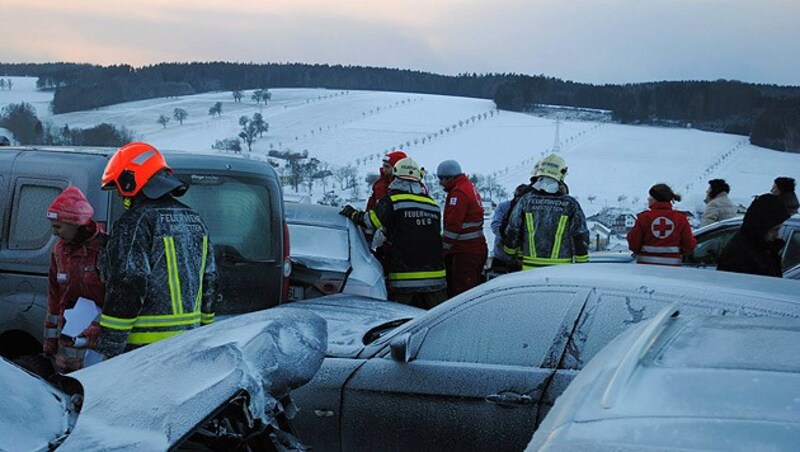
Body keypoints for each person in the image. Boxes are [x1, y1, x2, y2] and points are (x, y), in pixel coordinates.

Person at [91, 142, 217, 360]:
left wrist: (110, 347)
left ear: (131, 180)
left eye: (119, 188)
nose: (121, 197)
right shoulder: (195, 219)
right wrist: (204, 331)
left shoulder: (135, 221)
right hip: (187, 346)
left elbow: (129, 283)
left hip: (143, 352)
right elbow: (210, 279)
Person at [339, 157, 447, 309]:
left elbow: (370, 223)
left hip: (404, 277)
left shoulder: (392, 201)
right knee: (436, 321)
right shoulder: (433, 205)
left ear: (395, 178)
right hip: (436, 278)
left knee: (398, 322)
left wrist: (353, 214)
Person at [44, 186, 108, 373]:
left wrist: (94, 333)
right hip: (69, 342)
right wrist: (50, 341)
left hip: (99, 343)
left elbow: (117, 301)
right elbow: (54, 299)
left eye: (58, 227)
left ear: (75, 222)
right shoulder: (58, 251)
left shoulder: (105, 250)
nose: (54, 233)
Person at [503, 154, 590, 269]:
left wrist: (510, 255)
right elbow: (580, 235)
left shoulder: (525, 201)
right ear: (561, 174)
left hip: (529, 268)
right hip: (561, 269)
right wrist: (582, 263)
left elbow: (513, 230)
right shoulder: (570, 204)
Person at [437, 159, 488, 297]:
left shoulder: (458, 193)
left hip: (465, 252)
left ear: (449, 177)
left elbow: (453, 226)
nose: (440, 183)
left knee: (462, 292)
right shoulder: (467, 187)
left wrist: (443, 249)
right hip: (474, 249)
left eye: (441, 179)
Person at [717, 194, 790, 277]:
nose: (777, 236)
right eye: (775, 230)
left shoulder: (764, 248)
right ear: (762, 227)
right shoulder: (739, 256)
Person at [627, 183, 696, 266]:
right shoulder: (681, 218)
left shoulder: (644, 217)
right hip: (673, 270)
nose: (648, 199)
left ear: (656, 198)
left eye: (651, 196)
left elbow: (633, 244)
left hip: (646, 269)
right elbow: (689, 245)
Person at [488, 184, 528, 277]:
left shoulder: (530, 209)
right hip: (502, 256)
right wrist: (510, 237)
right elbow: (495, 226)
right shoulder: (504, 206)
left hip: (523, 259)